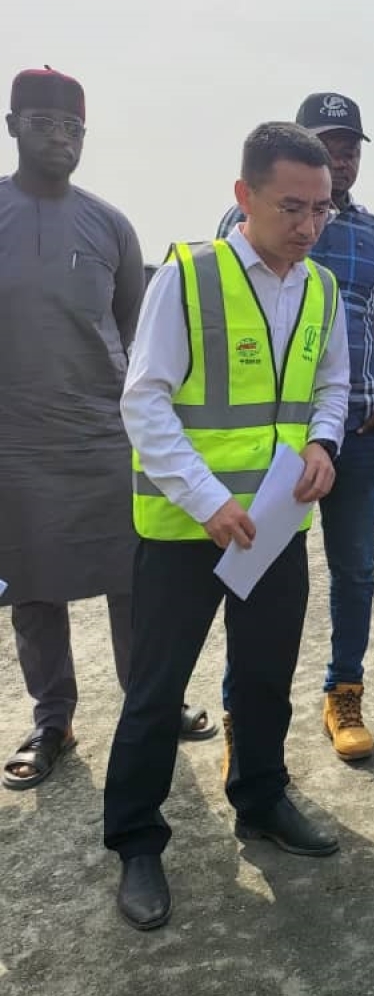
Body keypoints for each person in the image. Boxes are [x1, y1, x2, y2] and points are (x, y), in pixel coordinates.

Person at [104, 122, 351, 931]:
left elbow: (334, 384)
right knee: (156, 689)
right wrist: (208, 498)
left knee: (264, 676)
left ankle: (261, 796)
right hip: (188, 525)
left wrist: (323, 440)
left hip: (275, 525)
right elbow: (143, 401)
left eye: (323, 208)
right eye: (292, 206)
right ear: (243, 195)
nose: (309, 225)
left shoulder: (318, 287)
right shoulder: (190, 277)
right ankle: (138, 840)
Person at [0, 67, 213, 794]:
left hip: (101, 435)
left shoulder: (110, 225)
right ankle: (52, 717)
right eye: (43, 124)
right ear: (12, 127)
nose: (60, 139)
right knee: (32, 589)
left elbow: (129, 327)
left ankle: (151, 699)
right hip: (16, 440)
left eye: (73, 129)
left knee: (136, 578)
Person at [218, 92, 374, 762]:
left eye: (352, 147)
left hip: (359, 435)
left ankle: (344, 692)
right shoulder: (241, 222)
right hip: (269, 442)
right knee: (255, 572)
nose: (342, 157)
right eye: (330, 144)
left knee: (356, 569)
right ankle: (240, 717)